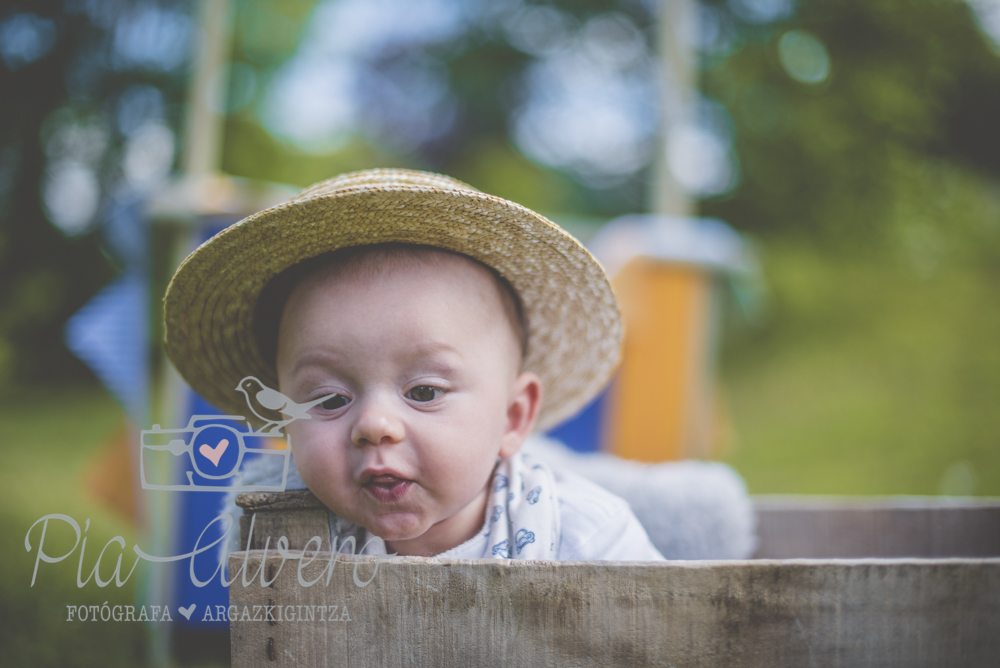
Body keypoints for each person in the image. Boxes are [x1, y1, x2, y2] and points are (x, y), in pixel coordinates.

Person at [164, 168, 664, 561]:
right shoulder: (283, 535)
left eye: (423, 392)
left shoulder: (583, 536)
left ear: (512, 417)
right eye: (331, 399)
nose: (374, 425)